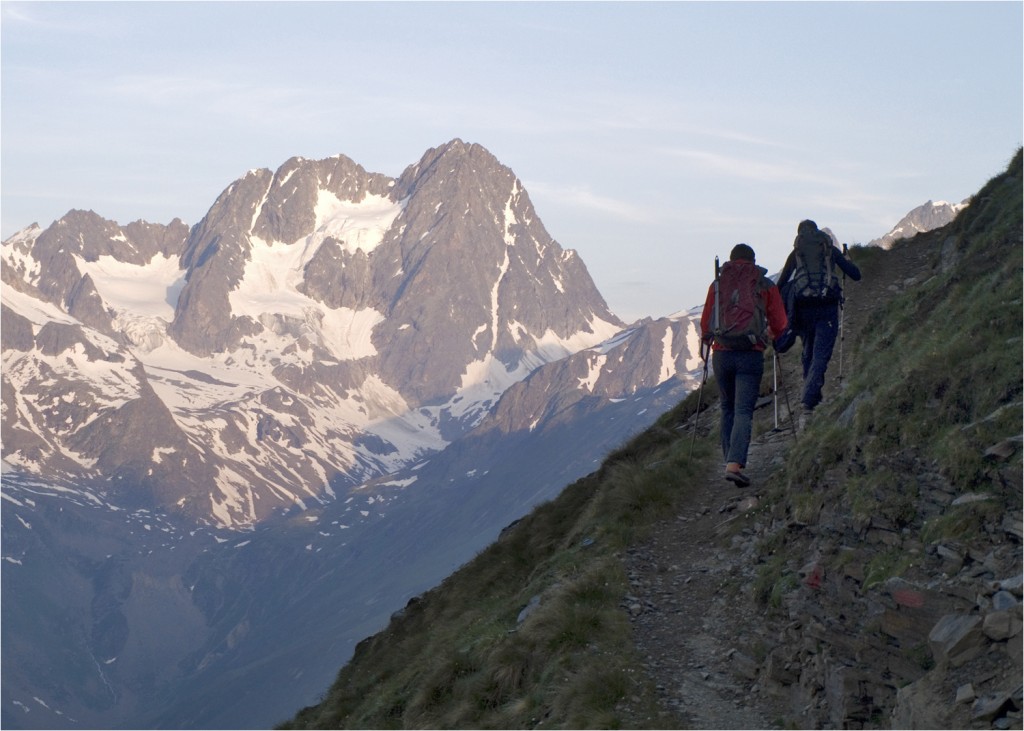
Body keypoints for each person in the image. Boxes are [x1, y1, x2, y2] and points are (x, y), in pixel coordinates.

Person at [700, 243, 788, 487]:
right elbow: (780, 321)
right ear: (753, 260)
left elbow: (706, 320)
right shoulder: (763, 282)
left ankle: (730, 459)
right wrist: (773, 334)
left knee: (727, 407)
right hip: (750, 353)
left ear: (731, 260)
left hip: (722, 354)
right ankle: (734, 464)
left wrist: (707, 344)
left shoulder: (718, 284)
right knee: (742, 410)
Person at [775, 220, 862, 419]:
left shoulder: (796, 254)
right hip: (827, 307)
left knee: (808, 353)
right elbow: (856, 275)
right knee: (821, 355)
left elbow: (780, 285)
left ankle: (810, 403)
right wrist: (846, 259)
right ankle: (809, 400)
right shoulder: (828, 249)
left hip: (803, 310)